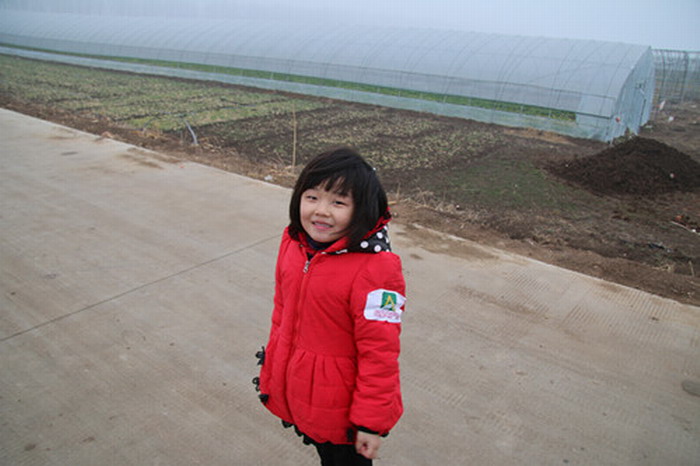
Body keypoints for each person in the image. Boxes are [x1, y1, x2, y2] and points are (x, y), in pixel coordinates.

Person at [254, 147, 406, 465]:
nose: (321, 211)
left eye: (338, 202)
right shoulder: (294, 244)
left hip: (343, 411)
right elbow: (282, 315)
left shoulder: (377, 269)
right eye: (312, 197)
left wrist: (370, 422)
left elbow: (380, 353)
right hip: (303, 392)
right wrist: (272, 370)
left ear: (362, 209)